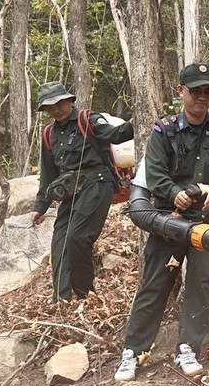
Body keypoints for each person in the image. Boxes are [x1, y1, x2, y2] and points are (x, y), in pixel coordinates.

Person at [115, 63, 209, 381]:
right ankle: (133, 352)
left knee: (202, 284)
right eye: (195, 90)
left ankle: (188, 347)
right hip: (168, 223)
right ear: (181, 92)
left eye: (208, 91)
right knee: (155, 285)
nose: (202, 97)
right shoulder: (165, 130)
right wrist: (175, 194)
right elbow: (154, 172)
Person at [31, 81, 134, 302]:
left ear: (69, 100)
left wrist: (135, 123)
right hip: (69, 190)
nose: (56, 109)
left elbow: (116, 134)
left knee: (77, 237)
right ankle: (61, 297)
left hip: (97, 183)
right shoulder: (49, 134)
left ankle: (84, 294)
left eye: (59, 103)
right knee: (59, 241)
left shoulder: (88, 119)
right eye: (50, 106)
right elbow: (48, 174)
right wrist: (40, 207)